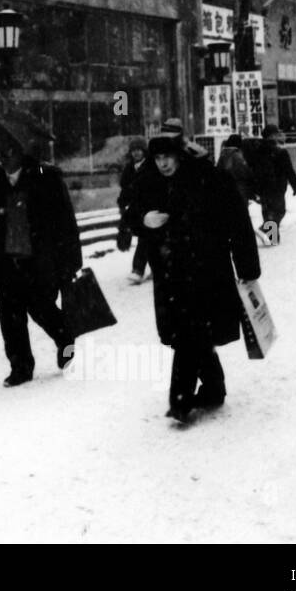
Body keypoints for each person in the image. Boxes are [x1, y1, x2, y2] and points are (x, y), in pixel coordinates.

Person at [130, 135, 261, 423]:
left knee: (190, 333)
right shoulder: (148, 181)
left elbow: (238, 223)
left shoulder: (207, 179)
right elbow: (129, 210)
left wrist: (247, 268)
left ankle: (181, 400)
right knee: (189, 335)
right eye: (157, 158)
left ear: (180, 155)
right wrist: (143, 220)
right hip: (170, 274)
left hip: (206, 271)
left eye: (168, 156)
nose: (162, 163)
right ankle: (214, 389)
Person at [0, 144, 83, 387]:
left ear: (20, 151)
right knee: (9, 316)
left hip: (38, 260)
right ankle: (20, 367)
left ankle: (65, 338)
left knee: (42, 310)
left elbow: (65, 221)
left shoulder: (45, 176)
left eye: (6, 153)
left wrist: (70, 261)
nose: (1, 158)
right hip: (6, 260)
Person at [116, 137, 153, 285]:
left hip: (149, 209)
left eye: (139, 150)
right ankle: (155, 267)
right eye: (133, 150)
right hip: (135, 211)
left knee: (145, 238)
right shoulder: (129, 169)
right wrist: (122, 203)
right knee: (147, 239)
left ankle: (138, 269)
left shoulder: (151, 167)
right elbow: (125, 190)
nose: (136, 153)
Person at [251, 125, 296, 230]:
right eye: (277, 134)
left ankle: (272, 238)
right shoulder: (281, 152)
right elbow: (289, 170)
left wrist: (254, 188)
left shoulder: (257, 151)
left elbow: (253, 170)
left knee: (268, 213)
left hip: (262, 188)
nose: (279, 136)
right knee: (279, 211)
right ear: (272, 136)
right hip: (277, 188)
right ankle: (265, 230)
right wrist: (295, 185)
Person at [217, 133, 256, 203]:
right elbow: (245, 172)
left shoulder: (223, 155)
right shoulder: (237, 156)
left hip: (225, 188)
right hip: (239, 188)